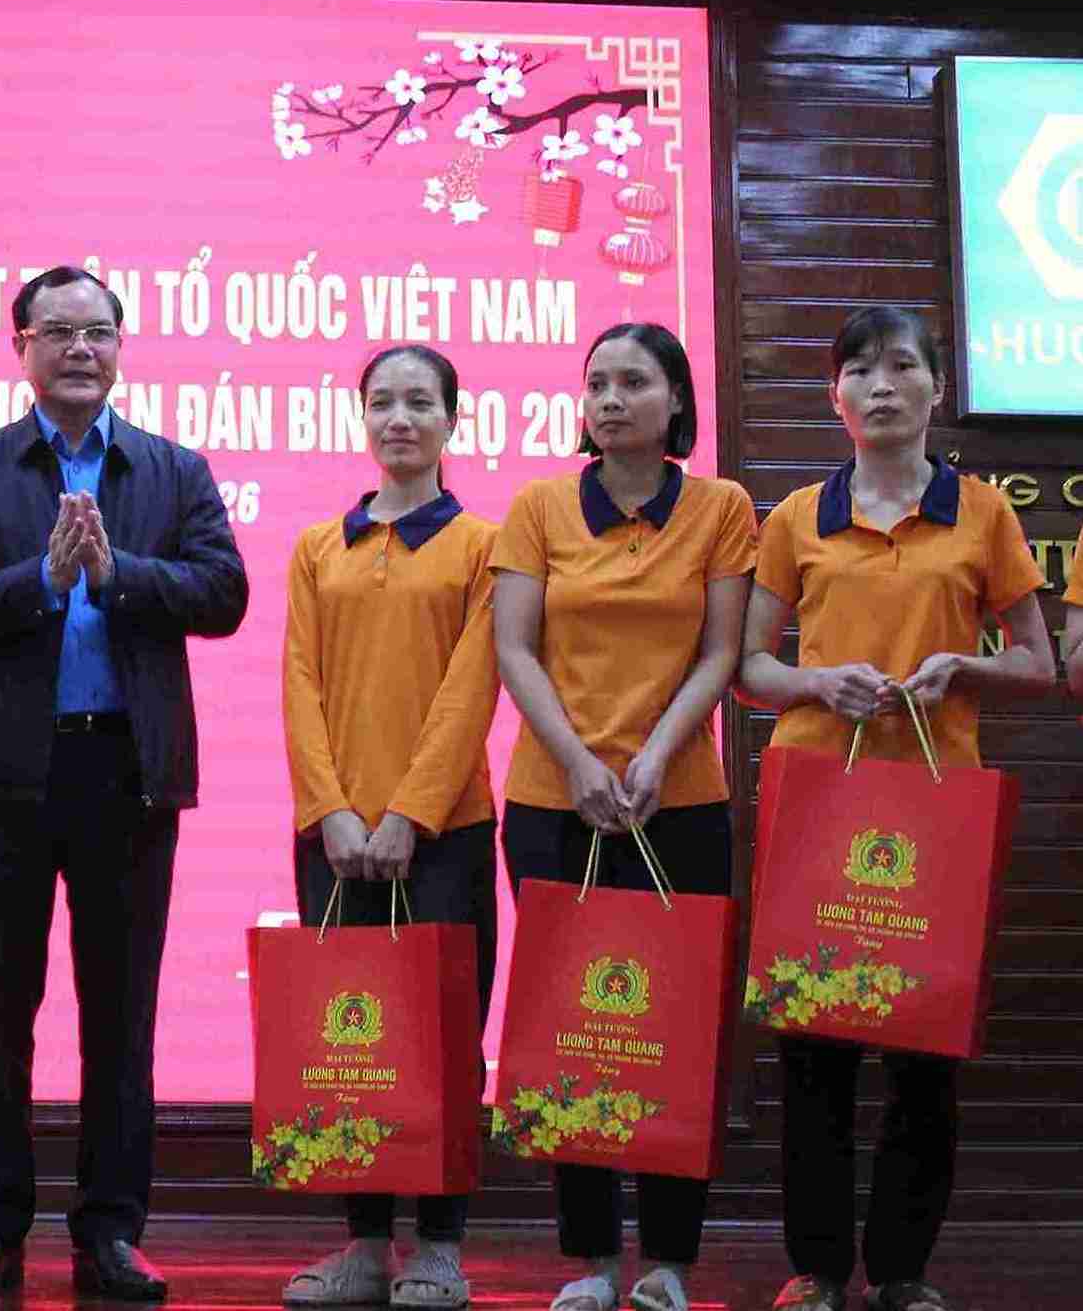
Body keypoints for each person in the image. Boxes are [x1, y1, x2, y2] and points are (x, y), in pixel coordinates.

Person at [0, 266, 249, 1304]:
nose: (78, 349)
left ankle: (110, 1228)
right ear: (18, 346)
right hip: (4, 779)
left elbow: (223, 592)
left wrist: (116, 576)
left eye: (97, 331)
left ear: (120, 347)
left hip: (127, 775)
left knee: (121, 1017)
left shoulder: (170, 470)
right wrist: (42, 581)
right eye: (55, 332)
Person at [737, 307, 1053, 1311]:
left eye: (900, 366)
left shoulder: (983, 515)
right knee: (814, 1045)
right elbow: (749, 669)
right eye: (858, 370)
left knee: (923, 1046)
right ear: (834, 397)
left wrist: (963, 664)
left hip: (932, 804)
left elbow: (1041, 664)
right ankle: (818, 1268)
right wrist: (820, 684)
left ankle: (905, 1269)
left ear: (934, 388)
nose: (880, 384)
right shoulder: (792, 519)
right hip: (817, 797)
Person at [488, 321, 755, 1311]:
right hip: (555, 804)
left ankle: (670, 1262)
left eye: (632, 381)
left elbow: (722, 653)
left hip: (677, 802)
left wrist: (647, 757)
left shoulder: (722, 508)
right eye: (595, 382)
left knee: (672, 1027)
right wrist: (580, 761)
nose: (608, 398)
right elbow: (515, 650)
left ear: (675, 401)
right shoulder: (540, 506)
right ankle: (591, 1261)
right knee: (573, 1025)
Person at [278, 345, 499, 1310]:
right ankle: (365, 1245)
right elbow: (299, 685)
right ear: (360, 420)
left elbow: (470, 691)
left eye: (419, 401)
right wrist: (330, 808)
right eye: (381, 402)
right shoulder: (318, 546)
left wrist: (410, 811)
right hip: (330, 836)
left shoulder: (484, 545)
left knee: (443, 1035)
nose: (398, 418)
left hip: (444, 829)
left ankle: (440, 1247)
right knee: (348, 1037)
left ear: (455, 419)